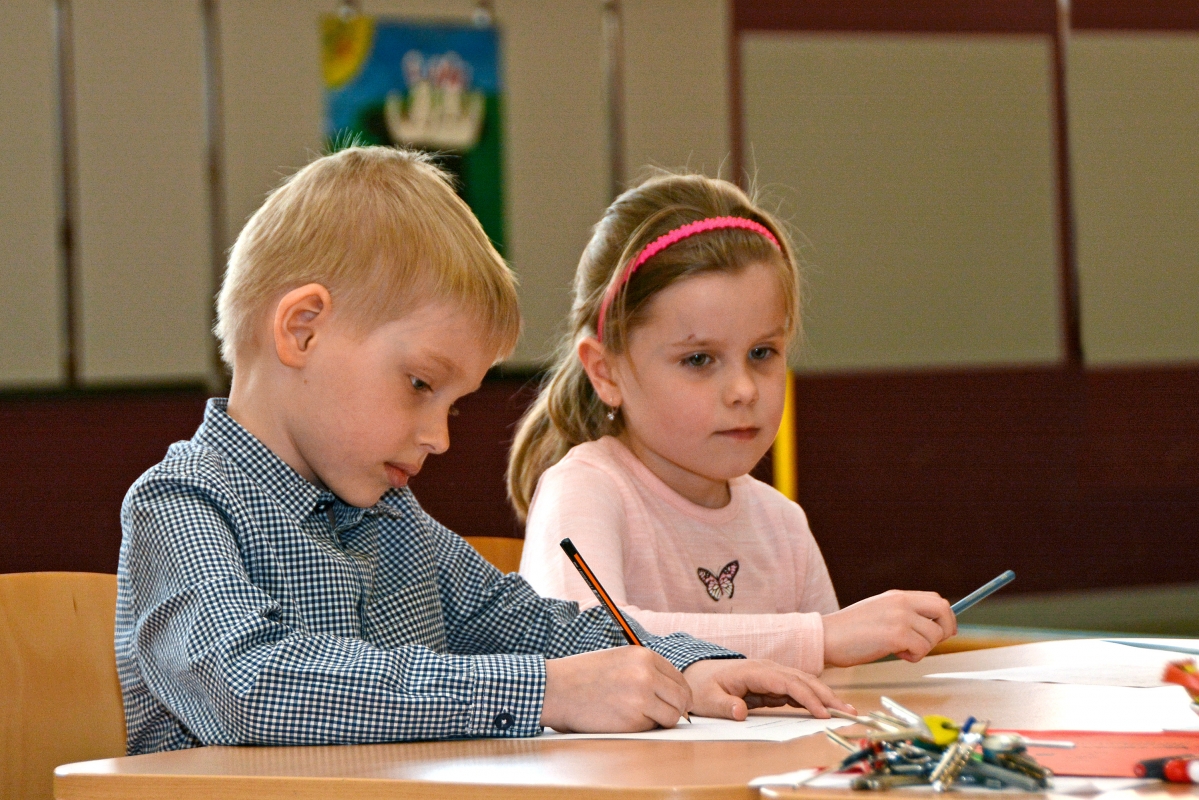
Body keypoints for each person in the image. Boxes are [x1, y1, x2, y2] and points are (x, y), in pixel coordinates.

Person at [115, 147, 852, 756]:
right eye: (418, 384)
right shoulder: (181, 505)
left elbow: (539, 622)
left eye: (453, 403)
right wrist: (546, 691)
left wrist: (693, 668)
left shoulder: (392, 520)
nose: (438, 437)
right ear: (303, 330)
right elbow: (251, 686)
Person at [511, 172, 957, 675]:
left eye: (762, 353)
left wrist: (833, 646)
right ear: (605, 371)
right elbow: (585, 643)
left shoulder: (782, 524)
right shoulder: (586, 488)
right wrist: (819, 637)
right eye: (700, 359)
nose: (744, 389)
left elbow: (830, 689)